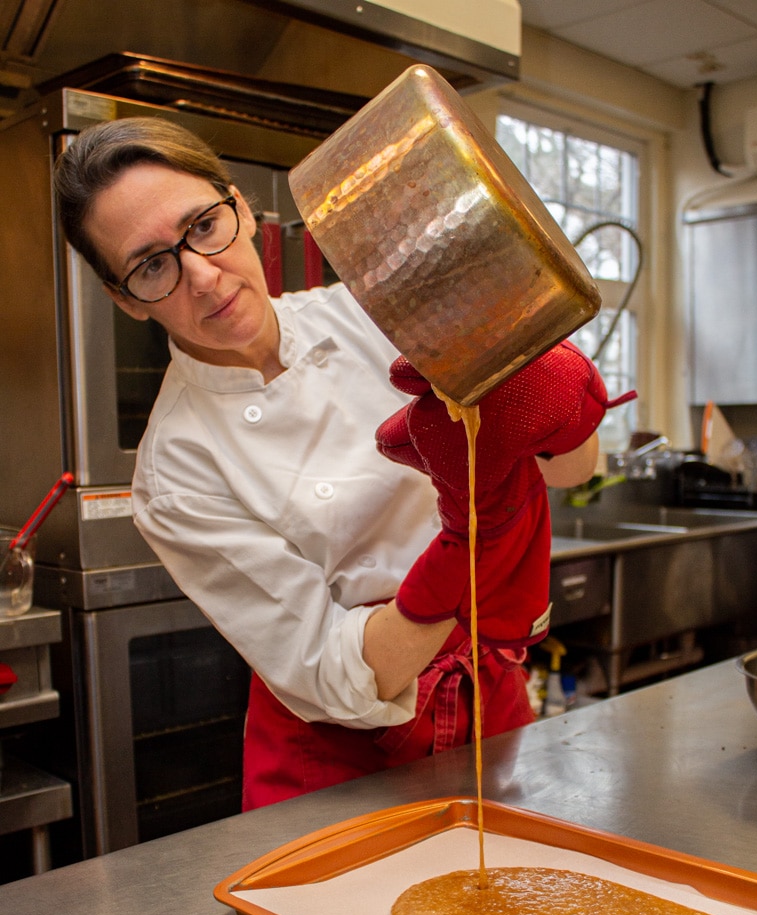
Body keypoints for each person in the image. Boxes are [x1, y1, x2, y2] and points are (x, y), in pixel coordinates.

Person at [53, 116, 620, 810]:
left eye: (203, 225)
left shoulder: (375, 309)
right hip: (339, 760)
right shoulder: (176, 472)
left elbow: (571, 470)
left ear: (239, 208)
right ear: (122, 299)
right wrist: (475, 541)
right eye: (151, 265)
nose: (201, 276)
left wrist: (550, 404)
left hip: (490, 701)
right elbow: (333, 672)